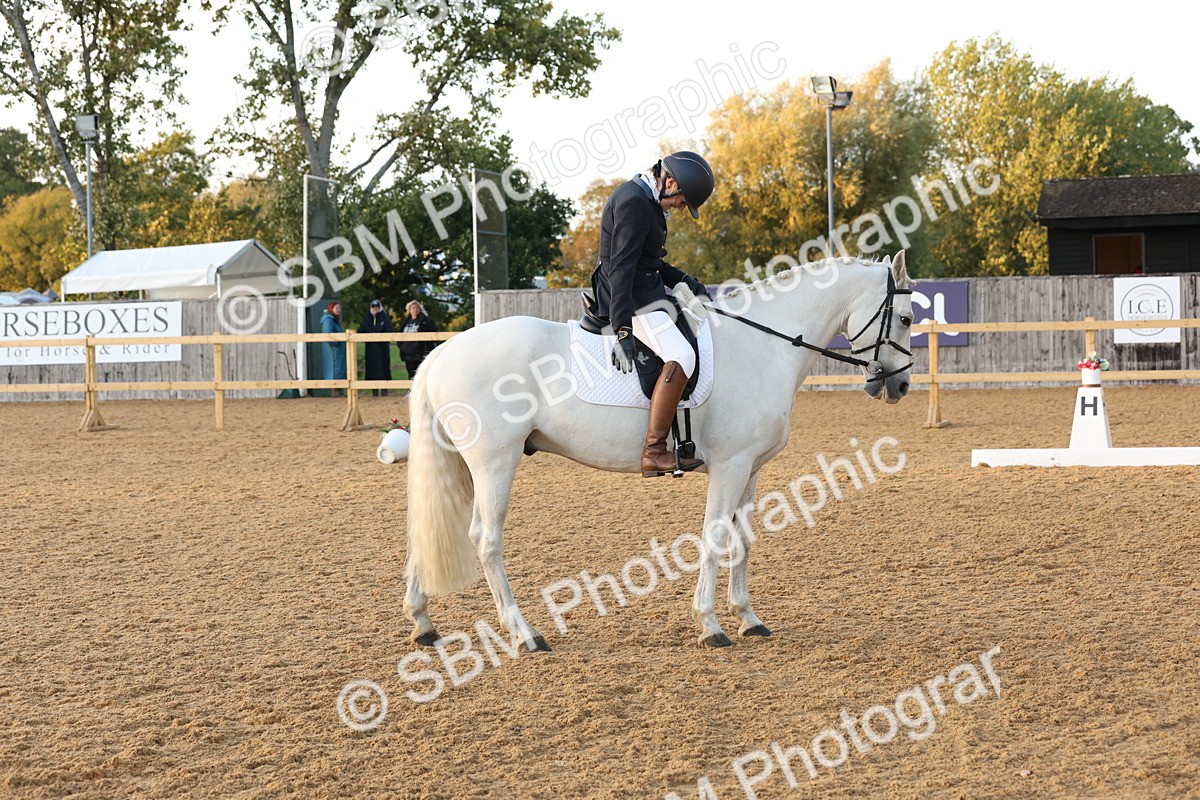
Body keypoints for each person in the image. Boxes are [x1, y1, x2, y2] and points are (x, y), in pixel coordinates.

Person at [589, 151, 715, 478]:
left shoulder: (646, 199)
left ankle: (683, 440)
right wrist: (623, 331)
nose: (682, 207)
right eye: (684, 201)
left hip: (644, 288)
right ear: (670, 182)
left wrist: (684, 279)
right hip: (629, 297)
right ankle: (654, 450)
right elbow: (621, 269)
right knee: (682, 356)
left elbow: (650, 262)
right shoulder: (633, 202)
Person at [358, 299, 394, 396]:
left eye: (377, 307)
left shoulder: (385, 319)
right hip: (371, 350)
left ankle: (384, 390)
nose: (375, 309)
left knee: (384, 368)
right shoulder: (367, 319)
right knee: (372, 369)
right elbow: (360, 331)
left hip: (382, 349)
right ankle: (374, 390)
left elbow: (390, 331)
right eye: (373, 307)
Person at [399, 300, 438, 383]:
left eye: (417, 308)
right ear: (409, 310)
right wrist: (402, 347)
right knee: (411, 375)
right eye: (413, 308)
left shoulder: (425, 321)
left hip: (420, 353)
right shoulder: (405, 322)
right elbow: (399, 335)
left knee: (421, 375)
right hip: (408, 353)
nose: (415, 309)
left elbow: (433, 332)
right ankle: (411, 394)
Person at [320, 300, 347, 396]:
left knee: (340, 371)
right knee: (335, 371)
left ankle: (340, 391)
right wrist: (337, 342)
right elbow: (328, 335)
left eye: (339, 308)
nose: (339, 310)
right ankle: (335, 392)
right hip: (334, 352)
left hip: (338, 351)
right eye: (337, 308)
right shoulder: (328, 321)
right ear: (331, 309)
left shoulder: (334, 321)